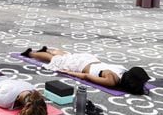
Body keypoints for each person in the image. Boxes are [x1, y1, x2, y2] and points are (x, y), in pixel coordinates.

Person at [22, 46, 150, 95]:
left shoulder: (122, 70)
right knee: (55, 61)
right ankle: (31, 54)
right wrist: (69, 73)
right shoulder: (111, 80)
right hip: (82, 65)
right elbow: (86, 77)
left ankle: (48, 50)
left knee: (66, 57)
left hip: (90, 59)